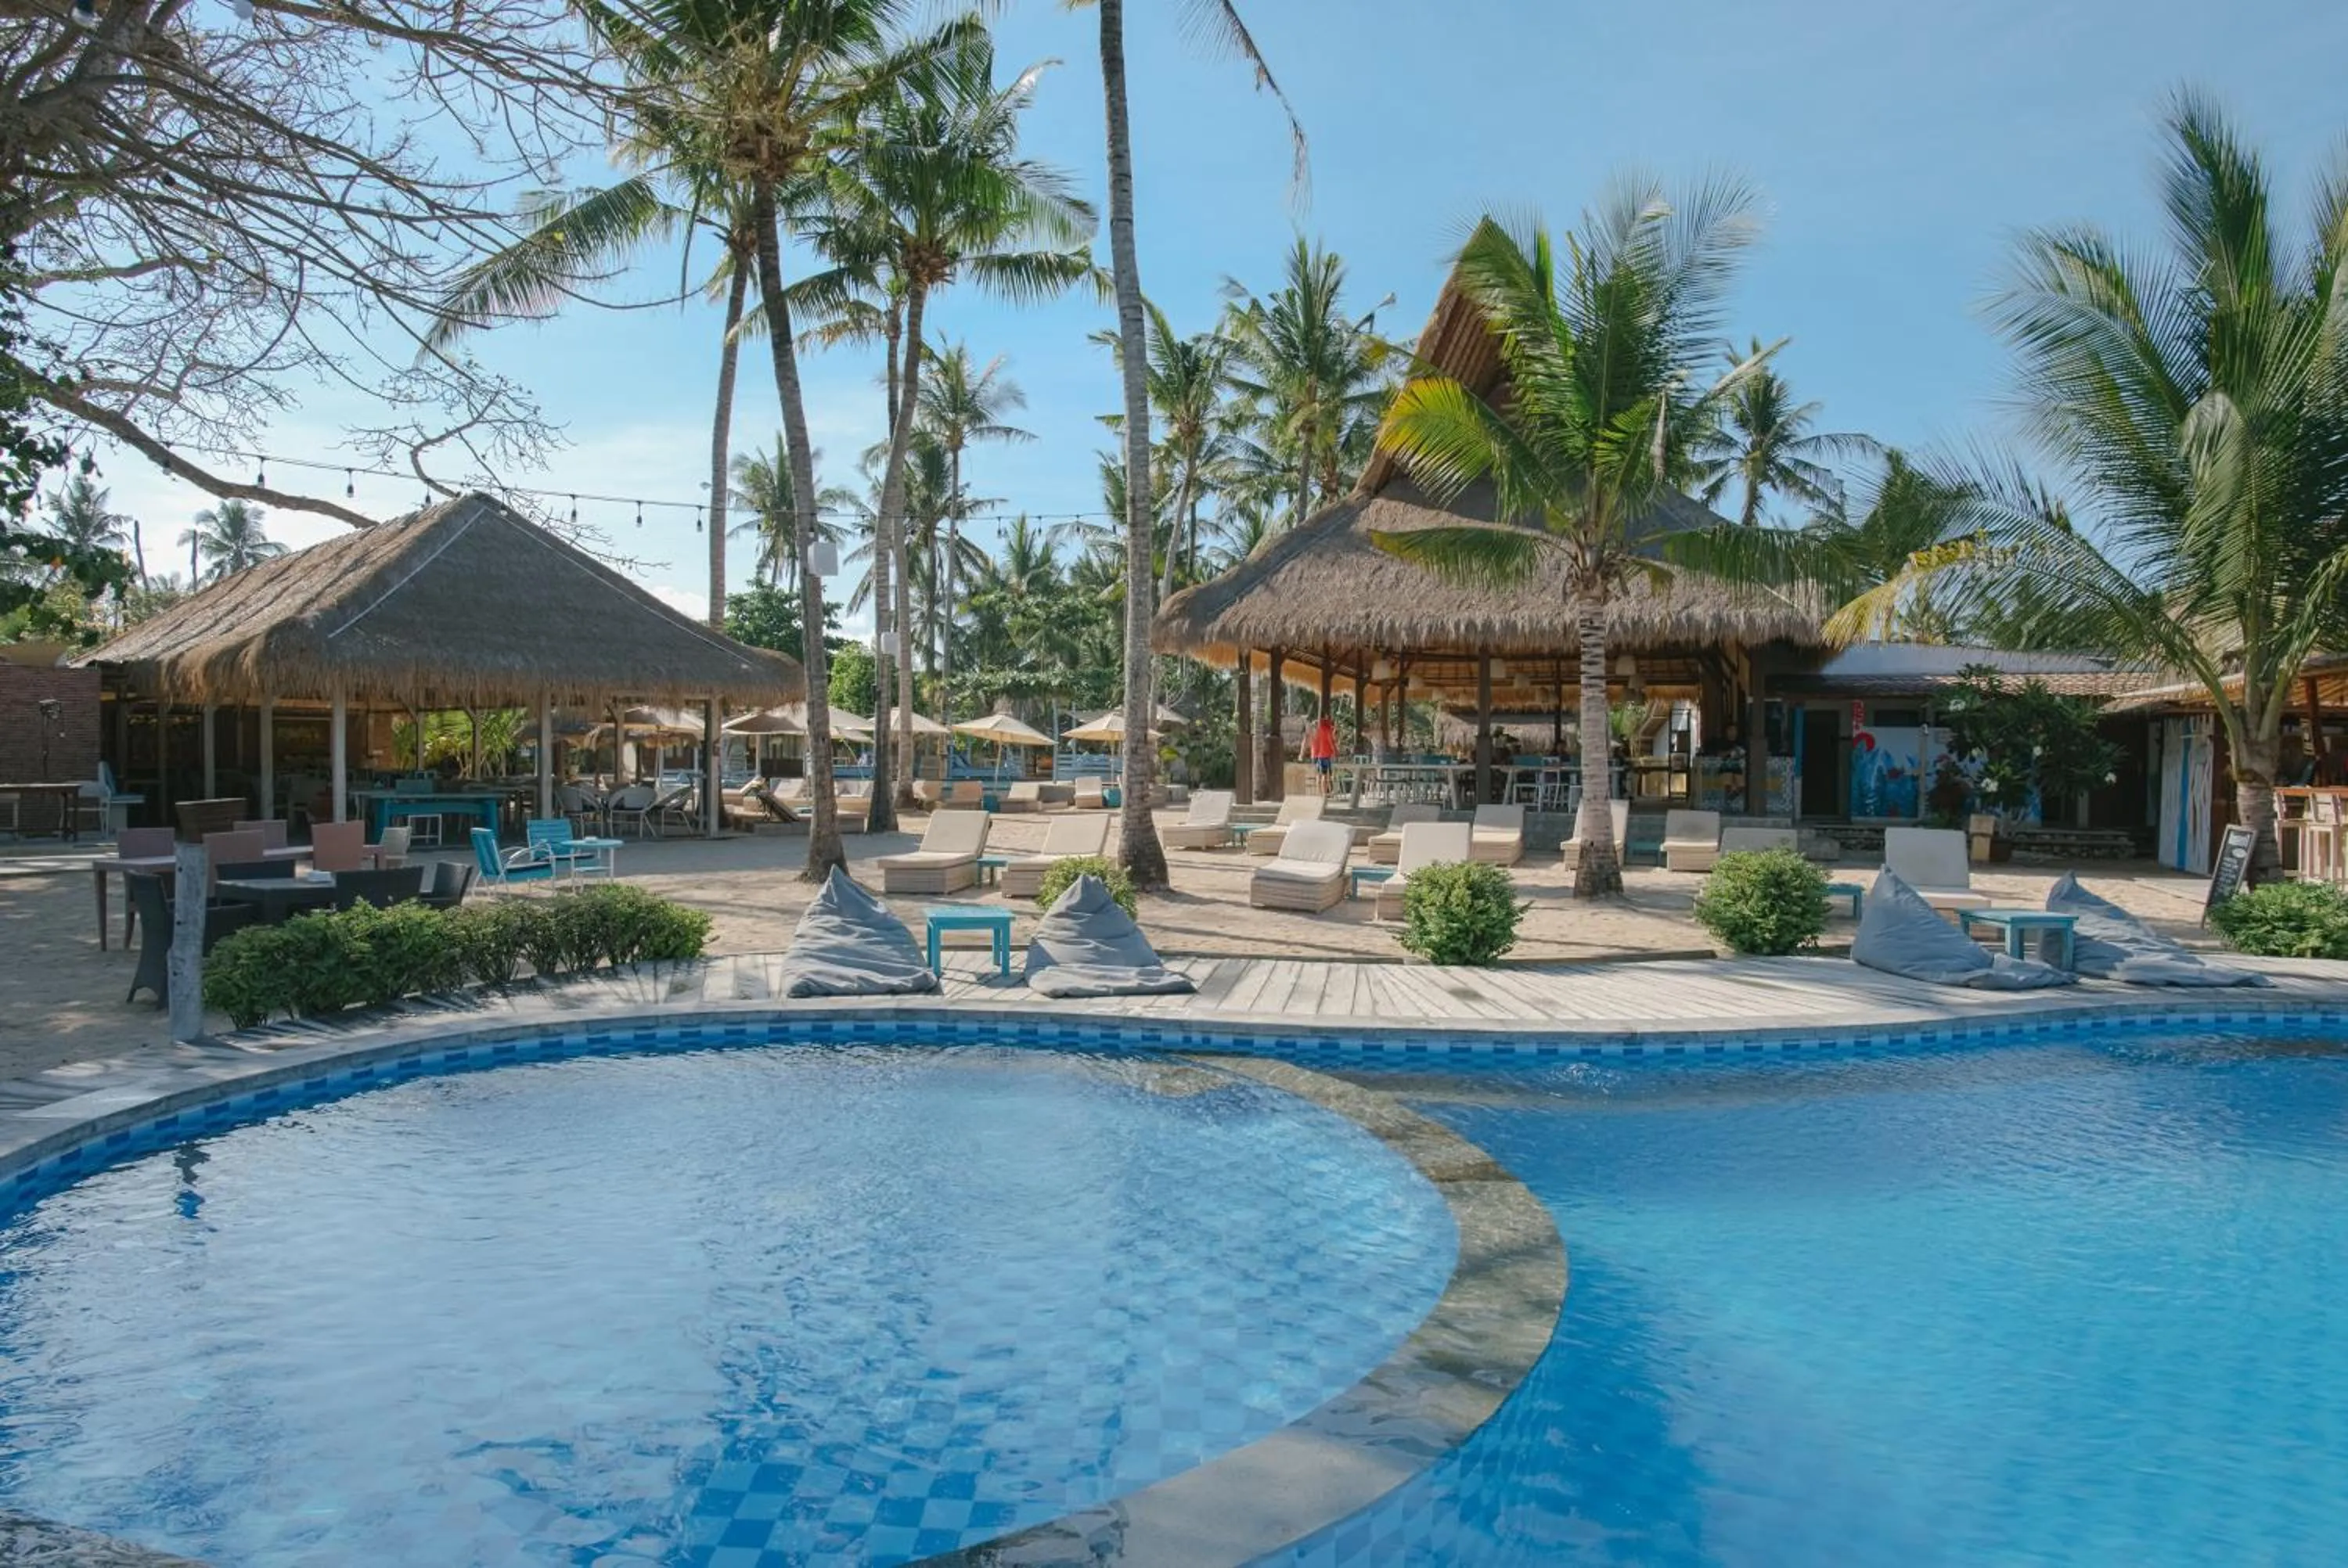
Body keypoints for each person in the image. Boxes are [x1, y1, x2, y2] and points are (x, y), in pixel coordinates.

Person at [1308, 712, 1338, 793]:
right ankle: (1325, 793)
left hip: (1318, 754)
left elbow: (1310, 742)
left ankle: (1320, 792)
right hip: (1326, 754)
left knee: (1320, 775)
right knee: (1326, 775)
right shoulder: (1326, 729)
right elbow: (1331, 741)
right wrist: (1335, 751)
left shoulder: (1315, 729)